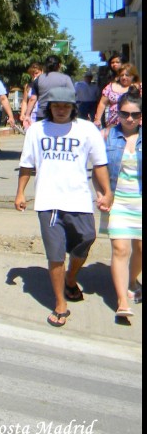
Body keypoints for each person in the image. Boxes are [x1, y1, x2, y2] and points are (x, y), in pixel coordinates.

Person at [14, 86, 113, 328]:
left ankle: (71, 278)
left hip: (79, 198)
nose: (60, 110)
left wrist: (107, 192)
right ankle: (60, 303)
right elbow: (27, 165)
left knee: (88, 237)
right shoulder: (37, 130)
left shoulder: (87, 129)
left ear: (73, 107)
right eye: (56, 105)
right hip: (49, 201)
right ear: (49, 107)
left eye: (65, 106)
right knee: (56, 254)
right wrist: (20, 193)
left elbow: (99, 164)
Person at [101, 92, 142, 319]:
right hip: (118, 201)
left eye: (134, 115)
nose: (129, 119)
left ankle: (132, 280)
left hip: (140, 201)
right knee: (120, 249)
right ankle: (122, 300)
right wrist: (102, 193)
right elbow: (98, 169)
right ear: (117, 113)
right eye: (124, 113)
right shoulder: (106, 136)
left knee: (141, 250)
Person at [25, 55, 75, 125]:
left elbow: (32, 99)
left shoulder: (38, 79)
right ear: (59, 65)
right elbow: (72, 96)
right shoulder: (66, 78)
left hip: (42, 114)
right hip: (59, 114)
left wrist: (27, 115)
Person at [95, 62, 140, 133]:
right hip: (114, 124)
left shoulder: (139, 87)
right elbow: (102, 103)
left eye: (127, 75)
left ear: (133, 76)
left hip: (134, 124)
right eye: (122, 75)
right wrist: (97, 119)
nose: (124, 77)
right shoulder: (110, 87)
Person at [19, 62, 43, 130]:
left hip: (41, 113)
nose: (34, 76)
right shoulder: (28, 86)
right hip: (31, 114)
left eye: (36, 73)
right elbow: (24, 101)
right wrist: (23, 113)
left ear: (42, 72)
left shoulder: (45, 84)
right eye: (32, 74)